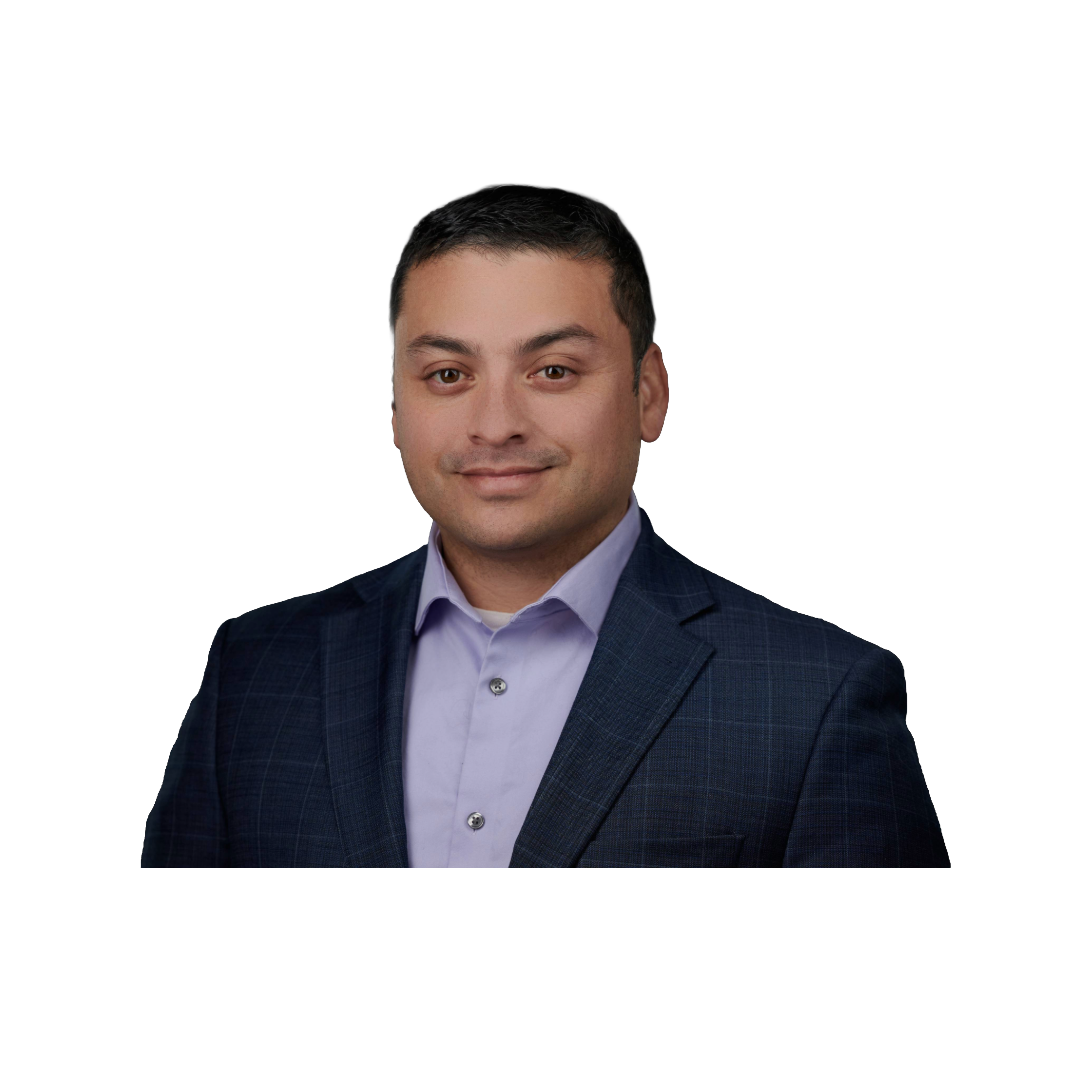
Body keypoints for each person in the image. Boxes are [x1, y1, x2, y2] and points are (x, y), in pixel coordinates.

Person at [142, 183, 948, 868]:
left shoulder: (818, 700)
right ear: (396, 406)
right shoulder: (253, 670)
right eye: (448, 374)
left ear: (649, 393)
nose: (495, 424)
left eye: (553, 370)